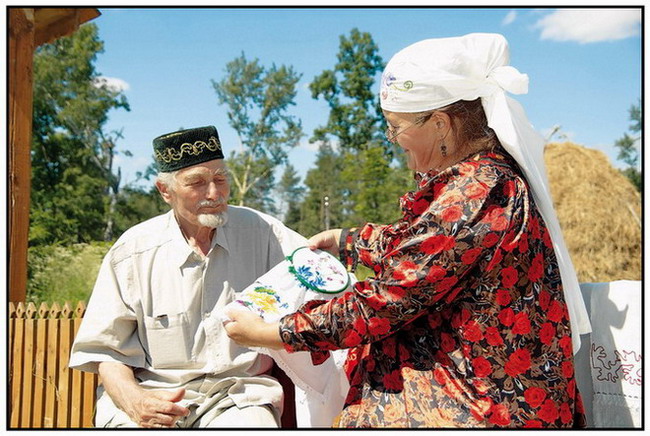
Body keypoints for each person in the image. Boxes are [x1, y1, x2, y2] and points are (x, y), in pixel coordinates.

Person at [224, 33, 592, 428]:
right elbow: (424, 249)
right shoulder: (478, 181)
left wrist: (274, 332)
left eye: (395, 127)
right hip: (486, 380)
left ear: (439, 124)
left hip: (487, 401)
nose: (393, 140)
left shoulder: (475, 193)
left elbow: (386, 300)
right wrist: (349, 242)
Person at [69, 125, 305, 428]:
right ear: (165, 191)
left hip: (237, 397)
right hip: (153, 394)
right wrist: (136, 402)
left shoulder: (263, 232)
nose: (214, 193)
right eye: (197, 183)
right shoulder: (132, 252)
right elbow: (107, 353)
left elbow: (322, 273)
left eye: (220, 178)